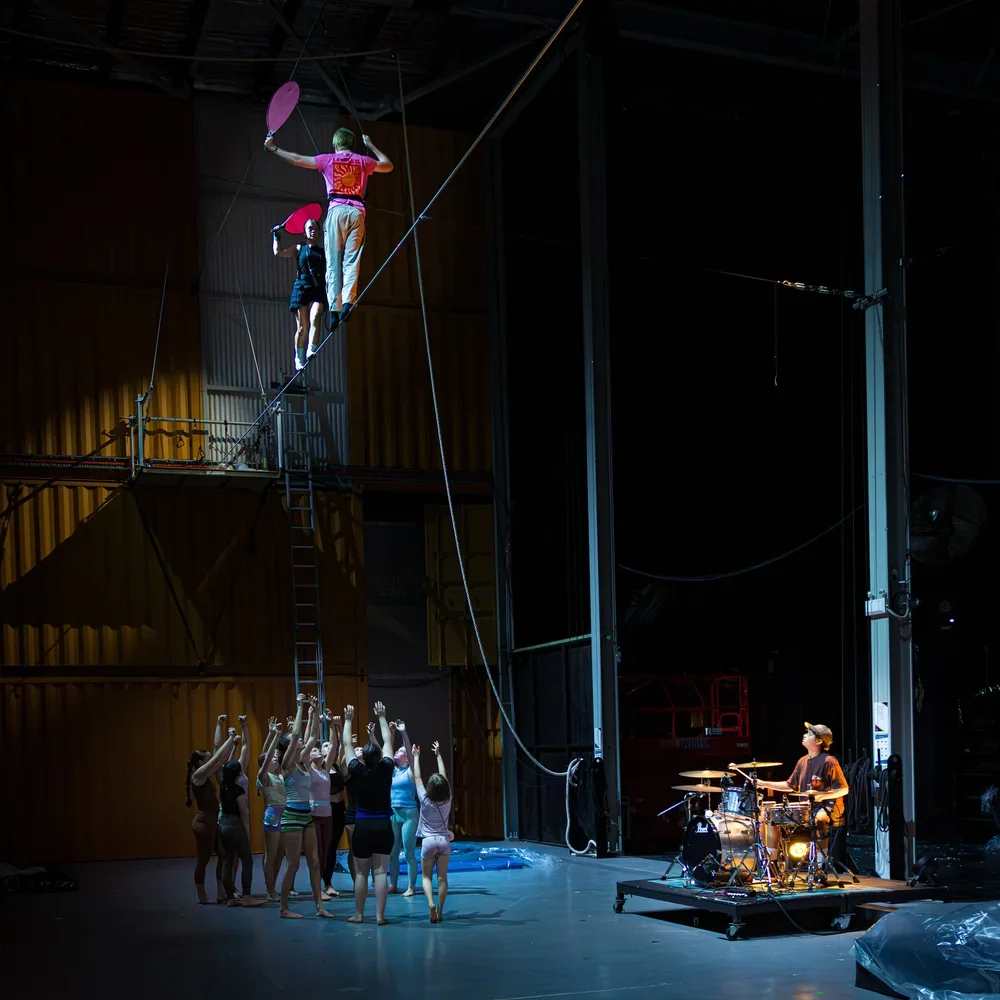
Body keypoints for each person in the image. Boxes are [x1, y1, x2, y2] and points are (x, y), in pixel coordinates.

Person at [264, 127, 393, 329]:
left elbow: (297, 159)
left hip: (336, 212)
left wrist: (274, 149)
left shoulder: (328, 159)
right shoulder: (363, 161)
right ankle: (348, 304)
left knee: (333, 261)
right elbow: (388, 165)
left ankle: (334, 309)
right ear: (352, 144)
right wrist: (371, 145)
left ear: (335, 145)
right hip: (357, 212)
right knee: (352, 260)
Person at [759, 722, 849, 870]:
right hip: (807, 808)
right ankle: (772, 865)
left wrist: (821, 797)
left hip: (827, 806)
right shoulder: (802, 761)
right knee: (771, 818)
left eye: (809, 734)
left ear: (819, 741)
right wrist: (764, 783)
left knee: (819, 819)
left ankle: (820, 865)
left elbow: (844, 789)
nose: (804, 735)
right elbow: (790, 785)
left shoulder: (829, 761)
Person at [278, 694, 333, 919]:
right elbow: (296, 737)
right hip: (291, 815)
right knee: (292, 865)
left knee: (315, 861)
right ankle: (283, 908)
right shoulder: (287, 765)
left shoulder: (301, 763)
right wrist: (300, 707)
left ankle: (319, 906)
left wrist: (315, 713)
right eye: (297, 743)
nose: (302, 743)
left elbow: (313, 736)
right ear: (290, 747)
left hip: (306, 816)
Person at [341, 701, 395, 924]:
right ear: (380, 756)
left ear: (363, 757)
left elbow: (346, 744)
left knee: (361, 872)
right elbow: (388, 740)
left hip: (362, 826)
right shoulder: (387, 769)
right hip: (384, 826)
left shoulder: (356, 770)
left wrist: (347, 721)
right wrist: (382, 716)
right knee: (381, 872)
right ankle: (380, 916)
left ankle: (360, 914)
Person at [186, 726, 236, 904]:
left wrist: (219, 725)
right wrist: (230, 739)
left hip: (213, 820)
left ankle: (221, 891)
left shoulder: (207, 776)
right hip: (203, 822)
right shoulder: (198, 775)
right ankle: (201, 893)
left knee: (223, 854)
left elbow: (218, 756)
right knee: (204, 858)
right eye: (206, 760)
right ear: (200, 763)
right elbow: (217, 758)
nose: (211, 762)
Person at [273, 218, 326, 371]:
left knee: (316, 315)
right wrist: (277, 237)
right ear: (304, 232)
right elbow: (278, 253)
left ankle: (312, 348)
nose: (313, 230)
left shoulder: (323, 252)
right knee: (303, 327)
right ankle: (298, 356)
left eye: (315, 228)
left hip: (317, 288)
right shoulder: (299, 248)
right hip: (302, 287)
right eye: (309, 228)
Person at [412, 740, 452, 923]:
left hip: (428, 841)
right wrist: (439, 755)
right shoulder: (448, 798)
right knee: (442, 877)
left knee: (426, 876)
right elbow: (443, 776)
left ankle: (431, 905)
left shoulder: (424, 799)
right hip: (444, 841)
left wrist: (416, 757)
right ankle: (441, 911)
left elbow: (417, 777)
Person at [218, 759, 259, 906]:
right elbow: (243, 811)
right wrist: (247, 831)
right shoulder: (238, 790)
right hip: (235, 824)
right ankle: (247, 896)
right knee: (246, 859)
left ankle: (230, 898)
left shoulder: (222, 785)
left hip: (223, 822)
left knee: (228, 860)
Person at [256, 717, 287, 902]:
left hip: (285, 813)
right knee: (272, 852)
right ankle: (269, 889)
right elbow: (266, 755)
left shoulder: (280, 775)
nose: (275, 758)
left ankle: (273, 886)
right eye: (273, 757)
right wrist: (273, 736)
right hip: (273, 814)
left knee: (281, 853)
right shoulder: (264, 775)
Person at [388, 719, 419, 897]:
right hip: (393, 813)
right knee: (392, 852)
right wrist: (389, 733)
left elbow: (408, 750)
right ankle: (393, 884)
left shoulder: (410, 771)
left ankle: (411, 887)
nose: (396, 753)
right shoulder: (393, 771)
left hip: (408, 814)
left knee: (408, 851)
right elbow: (385, 750)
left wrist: (403, 732)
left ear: (406, 757)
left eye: (400, 752)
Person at [320, 712, 347, 897]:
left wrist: (336, 727)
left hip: (339, 810)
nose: (328, 747)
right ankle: (326, 883)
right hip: (326, 811)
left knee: (333, 846)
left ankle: (328, 883)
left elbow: (340, 747)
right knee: (326, 848)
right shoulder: (321, 767)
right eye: (325, 746)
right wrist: (331, 727)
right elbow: (333, 748)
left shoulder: (337, 766)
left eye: (330, 745)